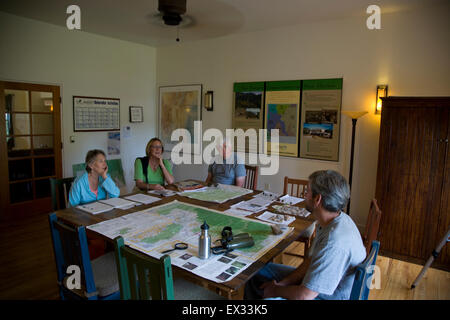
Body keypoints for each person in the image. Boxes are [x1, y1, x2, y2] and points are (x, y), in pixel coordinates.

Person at [244, 170, 366, 300]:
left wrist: (275, 290)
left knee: (268, 297)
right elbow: (311, 262)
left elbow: (305, 295)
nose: (304, 195)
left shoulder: (333, 243)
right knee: (254, 273)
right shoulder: (335, 220)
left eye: (307, 191)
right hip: (322, 284)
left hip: (333, 295)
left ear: (317, 199)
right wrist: (282, 283)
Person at [68, 149, 120, 260]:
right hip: (85, 223)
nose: (105, 164)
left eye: (105, 161)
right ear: (91, 165)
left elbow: (115, 194)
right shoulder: (79, 183)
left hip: (101, 219)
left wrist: (105, 177)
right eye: (101, 161)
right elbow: (71, 209)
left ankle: (110, 256)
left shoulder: (104, 177)